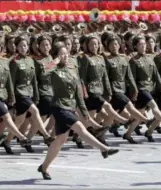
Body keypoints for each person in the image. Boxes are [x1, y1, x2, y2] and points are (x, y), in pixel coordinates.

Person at [38, 44, 119, 180]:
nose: (65, 56)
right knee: (80, 128)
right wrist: (55, 61)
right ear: (56, 55)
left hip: (70, 106)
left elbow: (78, 95)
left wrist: (84, 111)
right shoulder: (53, 70)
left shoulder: (72, 70)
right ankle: (104, 149)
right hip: (59, 107)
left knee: (60, 140)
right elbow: (44, 74)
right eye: (61, 54)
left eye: (66, 54)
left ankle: (44, 167)